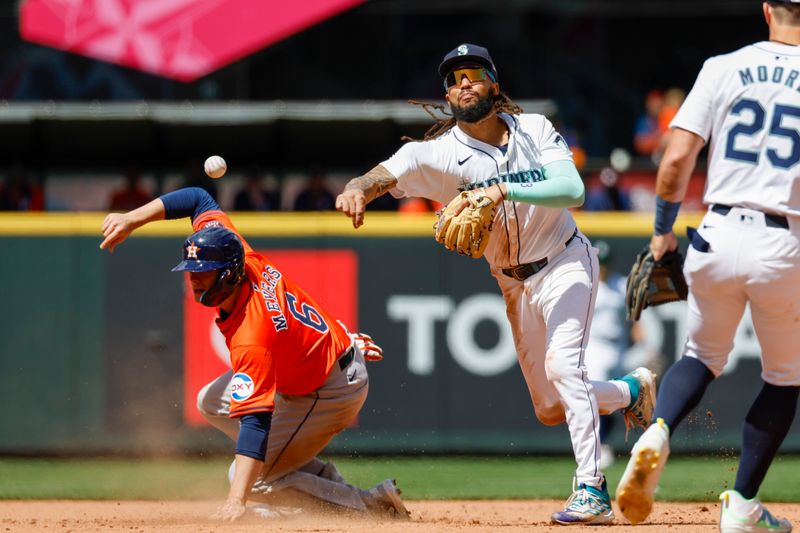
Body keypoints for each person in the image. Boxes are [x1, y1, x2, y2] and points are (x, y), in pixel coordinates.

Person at [336, 43, 657, 525]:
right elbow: (387, 172)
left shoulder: (534, 130)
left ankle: (591, 490)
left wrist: (504, 188)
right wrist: (358, 188)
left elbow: (573, 190)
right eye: (453, 78)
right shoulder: (439, 154)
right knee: (552, 407)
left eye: (474, 73)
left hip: (565, 260)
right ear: (447, 95)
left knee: (564, 367)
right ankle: (629, 392)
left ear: (494, 84)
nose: (463, 83)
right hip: (513, 284)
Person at [99, 187, 409, 521]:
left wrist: (237, 499)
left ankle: (372, 506)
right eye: (191, 270)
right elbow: (197, 198)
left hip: (327, 392)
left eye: (203, 272)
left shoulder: (253, 333)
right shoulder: (236, 251)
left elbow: (256, 423)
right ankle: (305, 468)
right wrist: (131, 219)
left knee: (252, 480)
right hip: (318, 361)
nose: (194, 279)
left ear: (229, 274)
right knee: (210, 401)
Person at [615, 3, 800, 532]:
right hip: (783, 241)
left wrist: (661, 229)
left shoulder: (723, 66)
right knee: (785, 378)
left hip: (715, 233)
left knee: (700, 355)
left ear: (767, 10)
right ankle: (741, 505)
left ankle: (659, 430)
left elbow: (675, 159)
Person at [581, 240, 630, 470]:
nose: (604, 266)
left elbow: (632, 320)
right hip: (594, 346)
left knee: (615, 400)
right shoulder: (585, 283)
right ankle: (597, 445)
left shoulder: (620, 285)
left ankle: (603, 443)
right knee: (596, 397)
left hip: (617, 345)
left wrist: (646, 343)